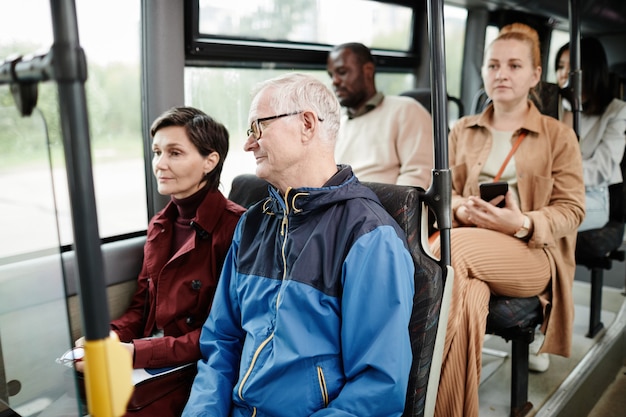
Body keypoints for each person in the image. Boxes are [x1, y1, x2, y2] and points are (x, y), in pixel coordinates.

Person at [183, 73, 415, 417]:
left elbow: (376, 389)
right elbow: (221, 341)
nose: (248, 144)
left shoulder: (369, 237)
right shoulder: (252, 224)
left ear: (307, 124)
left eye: (257, 128)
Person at [430, 23, 585, 417]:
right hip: (469, 241)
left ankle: (412, 382)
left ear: (535, 75)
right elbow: (438, 196)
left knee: (445, 249)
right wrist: (461, 208)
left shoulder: (558, 136)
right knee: (467, 293)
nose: (501, 74)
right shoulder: (462, 129)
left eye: (515, 66)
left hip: (531, 252)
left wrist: (519, 222)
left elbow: (572, 211)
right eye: (493, 65)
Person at [59, 106, 245, 417]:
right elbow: (140, 309)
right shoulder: (161, 224)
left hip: (199, 367)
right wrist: (107, 337)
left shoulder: (235, 227)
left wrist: (133, 352)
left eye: (174, 153)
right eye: (157, 152)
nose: (159, 164)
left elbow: (223, 333)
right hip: (153, 359)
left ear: (209, 161)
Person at [327, 42, 434, 188]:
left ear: (368, 70)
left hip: (380, 208)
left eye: (342, 72)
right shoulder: (336, 124)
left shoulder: (406, 110)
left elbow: (418, 175)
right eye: (331, 75)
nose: (335, 81)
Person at [555, 37, 626, 231]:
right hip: (555, 191)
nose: (564, 75)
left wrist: (555, 176)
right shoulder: (553, 109)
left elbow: (601, 168)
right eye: (560, 67)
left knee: (549, 218)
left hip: (593, 193)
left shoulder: (616, 111)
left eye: (571, 69)